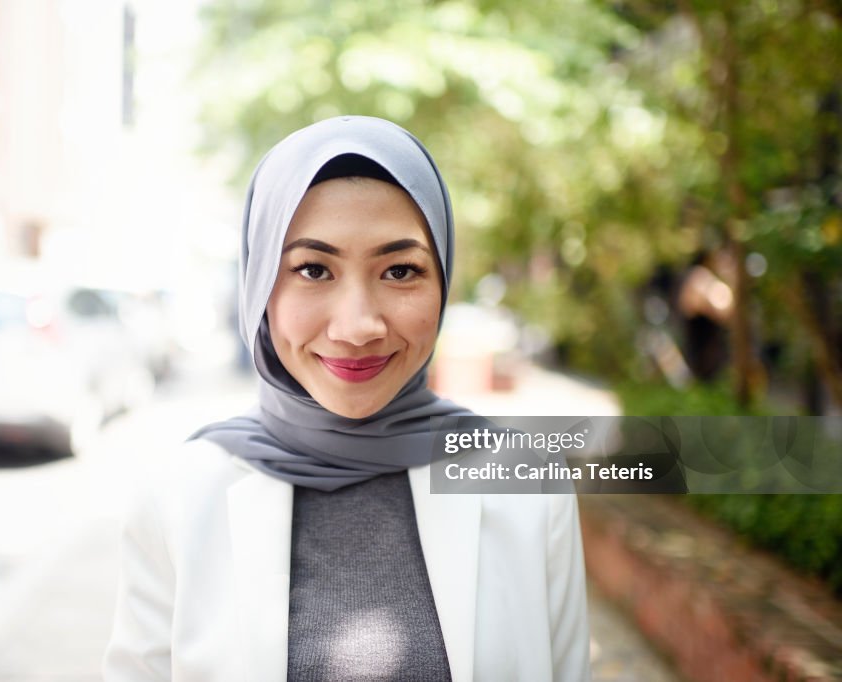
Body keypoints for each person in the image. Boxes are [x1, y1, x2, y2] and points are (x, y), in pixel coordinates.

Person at [103, 116, 591, 681]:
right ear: (260, 285)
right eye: (314, 269)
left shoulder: (529, 486)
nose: (358, 326)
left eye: (400, 270)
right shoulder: (177, 498)